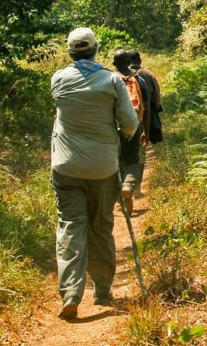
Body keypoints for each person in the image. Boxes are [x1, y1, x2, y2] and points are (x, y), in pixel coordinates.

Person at [50, 27, 138, 320]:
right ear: (96, 50)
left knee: (70, 226)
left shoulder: (58, 79)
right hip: (102, 168)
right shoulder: (112, 81)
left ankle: (71, 294)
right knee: (100, 225)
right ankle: (102, 291)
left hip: (65, 167)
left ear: (70, 52)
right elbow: (130, 123)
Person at [111, 49, 148, 212]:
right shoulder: (139, 80)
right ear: (129, 63)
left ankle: (119, 195)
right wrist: (145, 130)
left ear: (114, 64)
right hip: (135, 124)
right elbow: (145, 108)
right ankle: (128, 186)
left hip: (113, 126)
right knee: (132, 159)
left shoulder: (109, 80)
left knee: (116, 160)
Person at [129, 49, 163, 147]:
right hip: (146, 114)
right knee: (143, 145)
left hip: (128, 115)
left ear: (127, 61)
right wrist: (155, 109)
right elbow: (156, 96)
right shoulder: (147, 74)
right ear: (140, 60)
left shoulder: (122, 76)